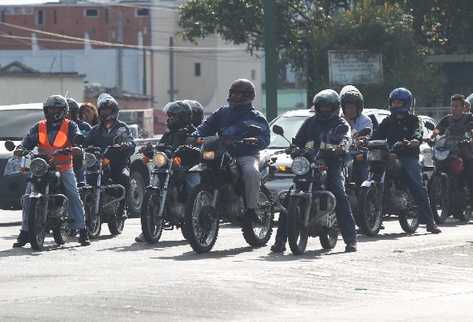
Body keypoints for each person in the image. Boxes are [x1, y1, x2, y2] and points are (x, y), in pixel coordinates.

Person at [272, 89, 358, 253]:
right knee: (290, 197)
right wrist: (293, 148)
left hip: (331, 164)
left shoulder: (341, 124)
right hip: (308, 164)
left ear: (335, 108)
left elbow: (346, 139)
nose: (324, 110)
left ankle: (351, 240)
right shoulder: (310, 123)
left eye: (328, 107)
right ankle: (280, 242)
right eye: (322, 107)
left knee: (339, 195)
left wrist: (341, 147)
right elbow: (298, 141)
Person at [13, 95, 90, 248]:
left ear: (64, 110)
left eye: (57, 109)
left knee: (73, 194)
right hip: (41, 166)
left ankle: (82, 230)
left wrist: (76, 146)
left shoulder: (71, 126)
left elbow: (77, 137)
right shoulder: (39, 126)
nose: (53, 111)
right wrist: (20, 149)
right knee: (28, 196)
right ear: (45, 110)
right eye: (50, 108)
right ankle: (25, 231)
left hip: (63, 167)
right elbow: (27, 141)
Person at [193, 79, 270, 222]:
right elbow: (206, 127)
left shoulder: (256, 116)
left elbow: (264, 138)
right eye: (233, 92)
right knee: (201, 165)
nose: (234, 96)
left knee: (251, 172)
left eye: (239, 93)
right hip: (221, 153)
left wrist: (254, 141)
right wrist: (194, 135)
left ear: (248, 95)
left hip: (246, 155)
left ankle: (252, 209)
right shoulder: (222, 112)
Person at [372, 87, 441, 234]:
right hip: (389, 155)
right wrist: (365, 140)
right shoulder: (387, 121)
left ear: (407, 104)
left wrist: (414, 141)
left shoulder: (413, 120)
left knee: (417, 185)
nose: (395, 105)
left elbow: (417, 132)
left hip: (407, 156)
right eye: (394, 102)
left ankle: (430, 222)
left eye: (399, 103)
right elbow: (377, 135)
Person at [135, 100, 203, 242]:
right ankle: (148, 228)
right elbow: (160, 148)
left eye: (173, 117)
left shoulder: (193, 132)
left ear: (183, 117)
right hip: (168, 168)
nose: (169, 119)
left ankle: (198, 219)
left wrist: (189, 147)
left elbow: (198, 148)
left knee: (193, 188)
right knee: (154, 189)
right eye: (169, 116)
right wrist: (150, 151)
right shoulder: (168, 134)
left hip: (187, 168)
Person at [85, 93, 136, 219]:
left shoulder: (122, 128)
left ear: (114, 111)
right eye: (103, 110)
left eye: (107, 110)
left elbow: (130, 141)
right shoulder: (95, 129)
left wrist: (126, 145)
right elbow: (86, 141)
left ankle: (123, 208)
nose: (105, 112)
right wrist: (80, 142)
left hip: (118, 163)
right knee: (86, 179)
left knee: (124, 177)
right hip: (99, 163)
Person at [431, 94, 473, 207]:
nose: (454, 108)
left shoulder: (469, 118)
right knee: (437, 165)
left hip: (464, 150)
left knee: (470, 174)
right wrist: (432, 135)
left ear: (464, 107)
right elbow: (438, 129)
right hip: (448, 150)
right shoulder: (447, 119)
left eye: (457, 106)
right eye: (452, 106)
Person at [340, 85, 373, 185]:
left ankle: (365, 189)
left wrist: (349, 124)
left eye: (353, 107)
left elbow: (362, 137)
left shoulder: (365, 120)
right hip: (341, 151)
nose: (351, 110)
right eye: (348, 107)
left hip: (359, 151)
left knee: (363, 161)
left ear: (359, 107)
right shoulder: (337, 119)